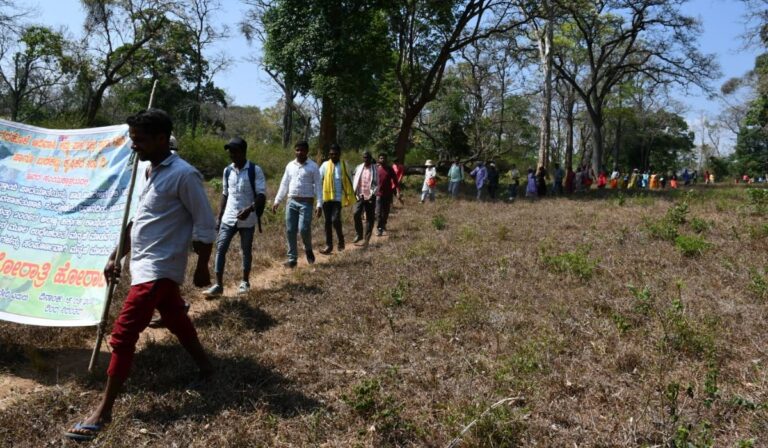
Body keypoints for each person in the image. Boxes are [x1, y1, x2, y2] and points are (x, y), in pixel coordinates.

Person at [64, 109, 216, 441]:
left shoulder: (184, 175)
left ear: (162, 139)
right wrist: (114, 255)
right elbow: (137, 223)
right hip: (143, 265)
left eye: (140, 140)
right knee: (176, 319)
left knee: (123, 334)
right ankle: (207, 368)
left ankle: (103, 412)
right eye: (132, 139)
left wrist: (203, 265)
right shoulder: (148, 171)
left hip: (160, 269)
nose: (134, 146)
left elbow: (206, 223)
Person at [204, 137, 266, 298]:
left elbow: (261, 195)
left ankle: (245, 282)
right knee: (220, 248)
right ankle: (218, 285)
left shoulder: (255, 170)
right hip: (229, 217)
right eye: (230, 152)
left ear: (243, 152)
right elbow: (225, 194)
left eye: (235, 151)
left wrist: (250, 209)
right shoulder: (227, 171)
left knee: (246, 250)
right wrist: (219, 217)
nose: (231, 155)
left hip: (248, 218)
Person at [272, 141, 322, 268]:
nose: (299, 152)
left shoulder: (313, 166)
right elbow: (284, 184)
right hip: (291, 201)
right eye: (297, 150)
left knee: (304, 229)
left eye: (302, 150)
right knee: (290, 230)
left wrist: (319, 204)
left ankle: (308, 249)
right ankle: (292, 259)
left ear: (307, 151)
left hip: (307, 202)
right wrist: (277, 200)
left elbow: (318, 186)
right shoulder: (290, 166)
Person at [318, 143, 354, 254]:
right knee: (327, 222)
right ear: (329, 154)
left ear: (339, 154)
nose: (333, 156)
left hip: (338, 199)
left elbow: (349, 180)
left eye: (335, 154)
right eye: (331, 154)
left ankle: (341, 241)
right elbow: (319, 181)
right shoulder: (324, 165)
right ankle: (329, 245)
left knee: (336, 220)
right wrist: (318, 199)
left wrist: (349, 196)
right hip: (326, 198)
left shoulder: (344, 165)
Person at [352, 151, 378, 247]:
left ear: (371, 158)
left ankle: (366, 240)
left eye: (367, 157)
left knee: (370, 218)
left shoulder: (375, 168)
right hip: (360, 195)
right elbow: (354, 178)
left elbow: (376, 183)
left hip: (370, 196)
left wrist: (373, 194)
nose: (366, 159)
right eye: (364, 157)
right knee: (356, 213)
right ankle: (359, 234)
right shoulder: (359, 167)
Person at [375, 153, 399, 236]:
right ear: (378, 159)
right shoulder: (376, 168)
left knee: (386, 212)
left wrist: (397, 191)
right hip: (378, 194)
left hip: (388, 194)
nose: (382, 160)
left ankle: (383, 224)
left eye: (384, 158)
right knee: (378, 212)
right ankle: (379, 228)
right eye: (381, 158)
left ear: (386, 159)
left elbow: (395, 180)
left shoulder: (390, 169)